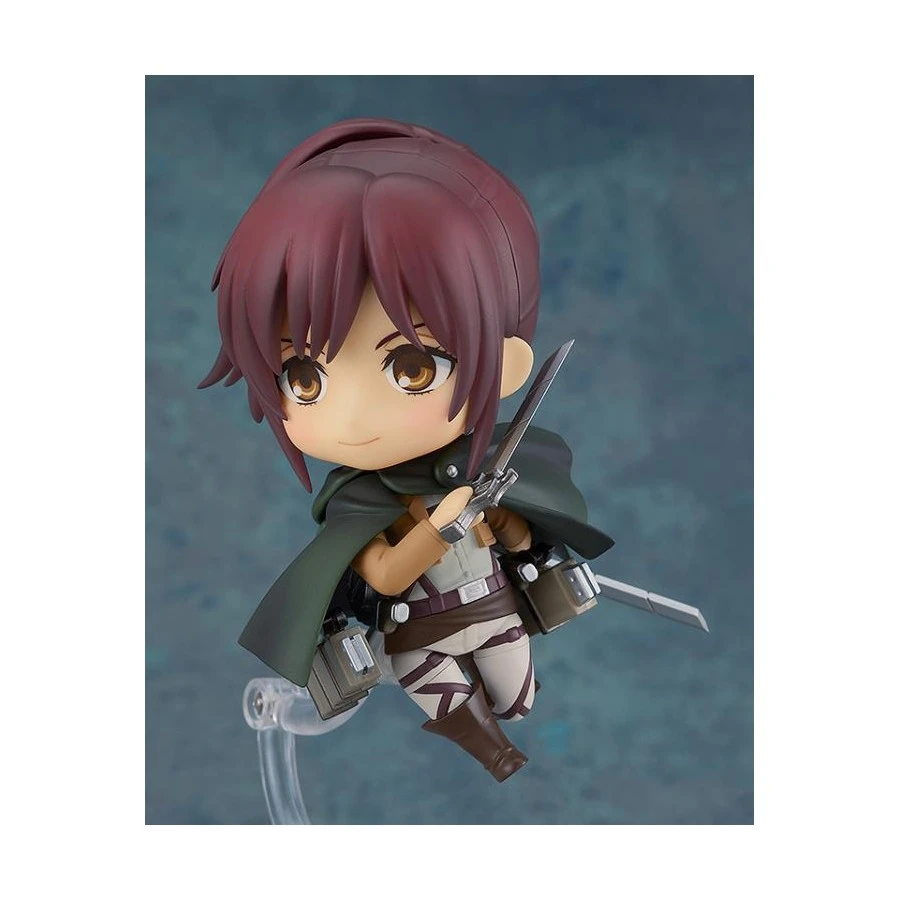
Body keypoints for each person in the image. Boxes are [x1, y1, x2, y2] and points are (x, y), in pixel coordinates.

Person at [200, 118, 613, 781]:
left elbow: (512, 540)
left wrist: (503, 520)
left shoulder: (482, 467)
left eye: (412, 367)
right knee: (470, 718)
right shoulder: (359, 504)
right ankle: (494, 754)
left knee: (519, 699)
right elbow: (385, 575)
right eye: (304, 378)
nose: (355, 417)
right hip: (419, 636)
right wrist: (440, 527)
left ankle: (505, 726)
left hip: (494, 611)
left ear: (505, 366)